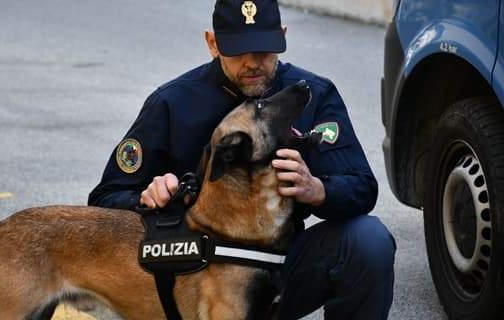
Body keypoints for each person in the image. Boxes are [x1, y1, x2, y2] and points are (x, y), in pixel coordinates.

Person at [88, 0, 396, 319]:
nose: (252, 62)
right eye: (238, 50)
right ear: (212, 43)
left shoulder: (311, 96)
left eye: (264, 49)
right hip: (193, 277)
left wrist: (318, 189)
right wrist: (145, 196)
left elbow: (361, 187)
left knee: (368, 242)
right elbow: (103, 199)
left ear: (282, 36)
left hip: (280, 266)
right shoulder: (171, 103)